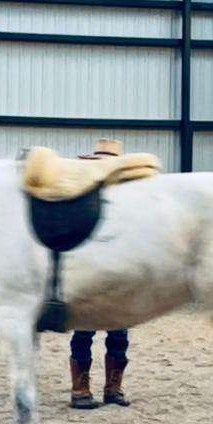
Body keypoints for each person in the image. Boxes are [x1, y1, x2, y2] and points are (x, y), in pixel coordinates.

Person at [69, 139, 130, 409]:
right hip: (89, 274)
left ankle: (113, 388)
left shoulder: (129, 202)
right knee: (83, 333)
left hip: (119, 276)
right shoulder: (80, 201)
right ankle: (80, 389)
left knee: (119, 336)